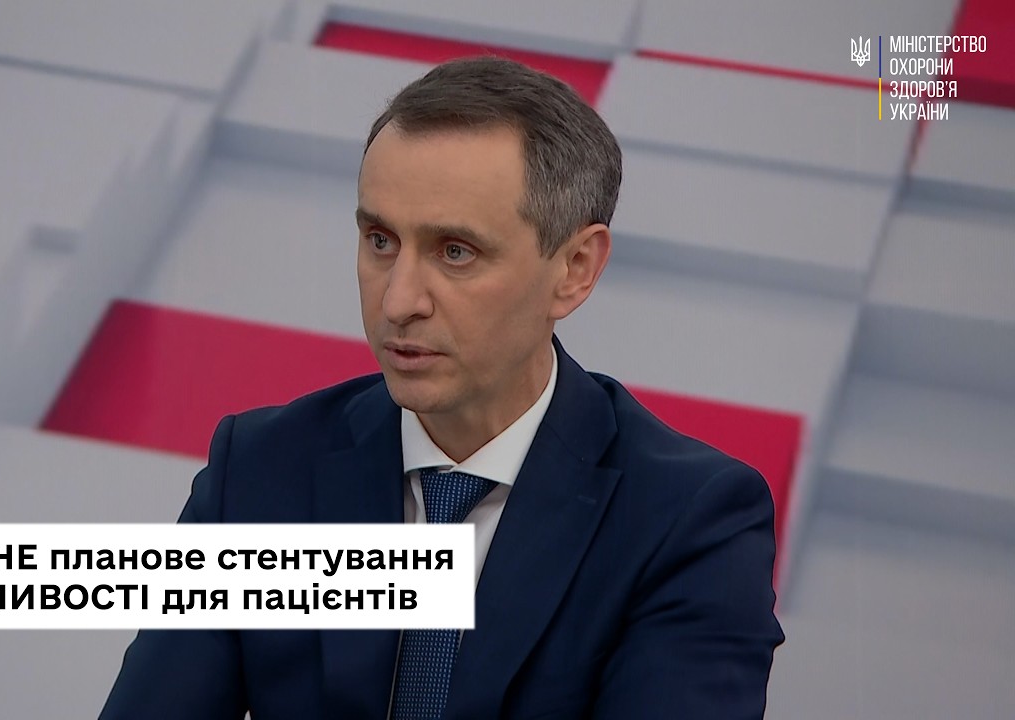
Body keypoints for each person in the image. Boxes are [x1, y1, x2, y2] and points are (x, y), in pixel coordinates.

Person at [100, 56, 784, 720]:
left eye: (455, 251)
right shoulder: (260, 471)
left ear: (575, 268)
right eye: (380, 240)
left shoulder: (688, 521)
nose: (399, 302)